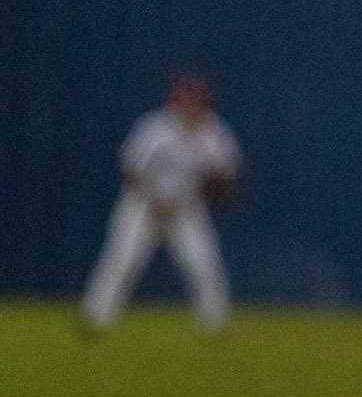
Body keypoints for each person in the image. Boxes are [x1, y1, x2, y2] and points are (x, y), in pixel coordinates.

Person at [80, 74, 241, 333]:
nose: (190, 107)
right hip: (144, 207)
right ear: (175, 103)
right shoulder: (156, 127)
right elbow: (131, 169)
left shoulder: (215, 132)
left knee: (203, 263)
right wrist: (153, 193)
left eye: (195, 102)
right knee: (122, 260)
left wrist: (218, 181)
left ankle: (214, 325)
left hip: (185, 210)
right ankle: (95, 318)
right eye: (185, 102)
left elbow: (228, 174)